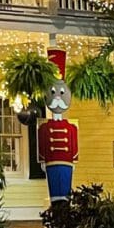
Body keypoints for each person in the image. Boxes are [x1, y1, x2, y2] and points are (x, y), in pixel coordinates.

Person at [37, 49, 79, 203]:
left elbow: (74, 145)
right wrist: (42, 160)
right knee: (54, 192)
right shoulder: (44, 128)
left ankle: (65, 212)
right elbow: (42, 144)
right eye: (53, 92)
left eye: (61, 93)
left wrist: (74, 160)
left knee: (66, 192)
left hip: (66, 162)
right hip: (52, 162)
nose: (57, 98)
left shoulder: (71, 127)